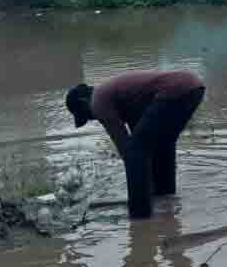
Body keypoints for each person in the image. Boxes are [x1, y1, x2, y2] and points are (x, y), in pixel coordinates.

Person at [65, 70, 205, 219]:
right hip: (193, 87)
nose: (93, 119)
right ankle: (166, 200)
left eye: (87, 116)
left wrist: (139, 188)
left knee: (135, 153)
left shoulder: (99, 100)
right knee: (162, 146)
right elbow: (141, 139)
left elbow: (128, 151)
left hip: (174, 91)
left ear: (84, 102)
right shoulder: (123, 98)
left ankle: (140, 217)